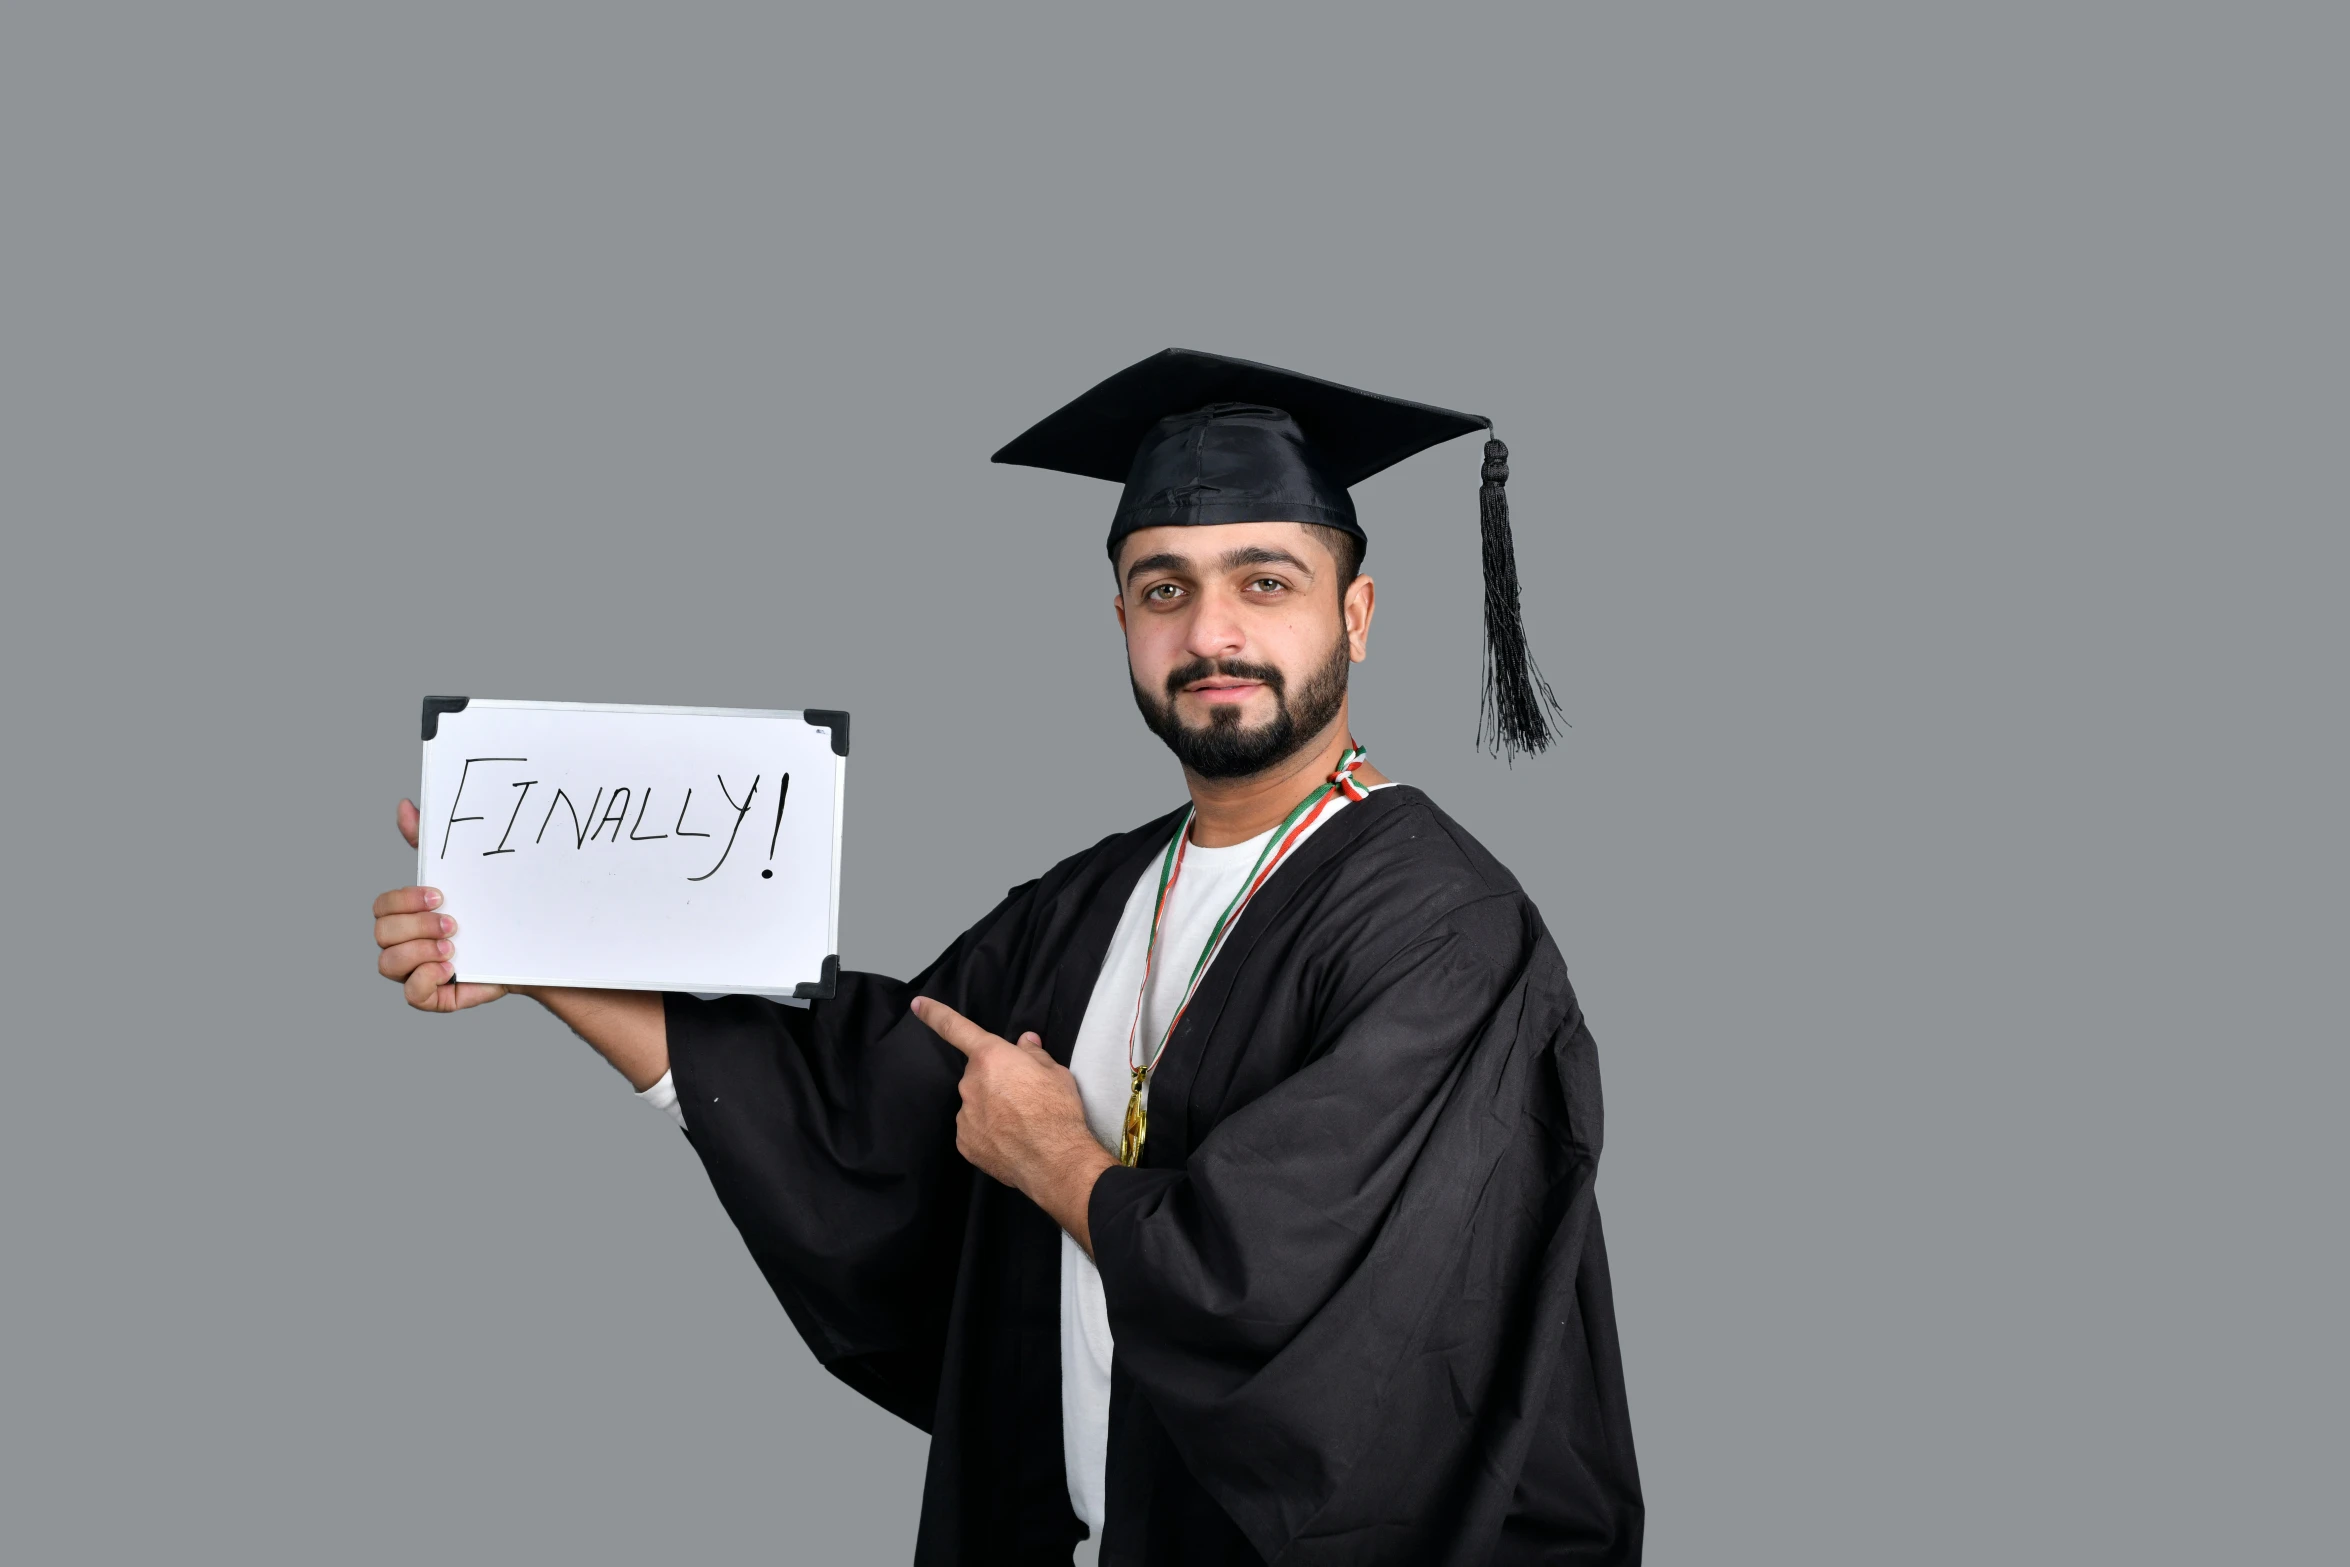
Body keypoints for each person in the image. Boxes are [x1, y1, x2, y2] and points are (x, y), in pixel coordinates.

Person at [370, 350, 1643, 1565]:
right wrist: (542, 953)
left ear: (1353, 615)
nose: (1211, 632)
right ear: (1122, 620)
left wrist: (1059, 1162)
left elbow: (1303, 1285)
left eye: (1265, 582)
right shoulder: (1093, 898)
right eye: (1163, 587)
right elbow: (860, 1105)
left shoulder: (1443, 929)